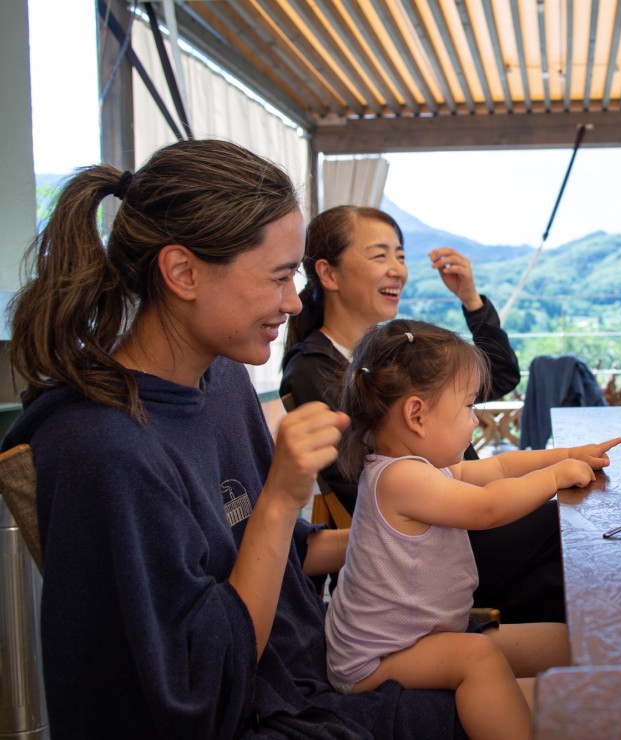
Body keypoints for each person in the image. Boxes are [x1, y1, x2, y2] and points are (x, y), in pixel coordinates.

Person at [1, 139, 465, 738]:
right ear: (183, 272)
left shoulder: (220, 381)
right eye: (277, 276)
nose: (293, 302)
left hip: (306, 678)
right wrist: (278, 496)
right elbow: (196, 693)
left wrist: (403, 524)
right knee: (554, 707)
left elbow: (272, 552)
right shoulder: (102, 448)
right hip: (260, 715)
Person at [324, 319, 621, 740]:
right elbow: (487, 508)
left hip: (425, 635)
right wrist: (556, 477)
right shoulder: (400, 480)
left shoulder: (425, 467)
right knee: (477, 658)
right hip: (375, 660)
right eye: (467, 407)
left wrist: (570, 453)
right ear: (416, 415)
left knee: (565, 641)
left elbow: (499, 466)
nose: (475, 421)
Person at [280, 206, 564, 623]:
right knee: (567, 531)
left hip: (460, 515)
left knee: (570, 528)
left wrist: (470, 299)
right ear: (328, 273)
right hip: (429, 546)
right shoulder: (313, 369)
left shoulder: (389, 354)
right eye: (380, 256)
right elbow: (362, 487)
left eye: (400, 255)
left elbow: (501, 374)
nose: (397, 269)